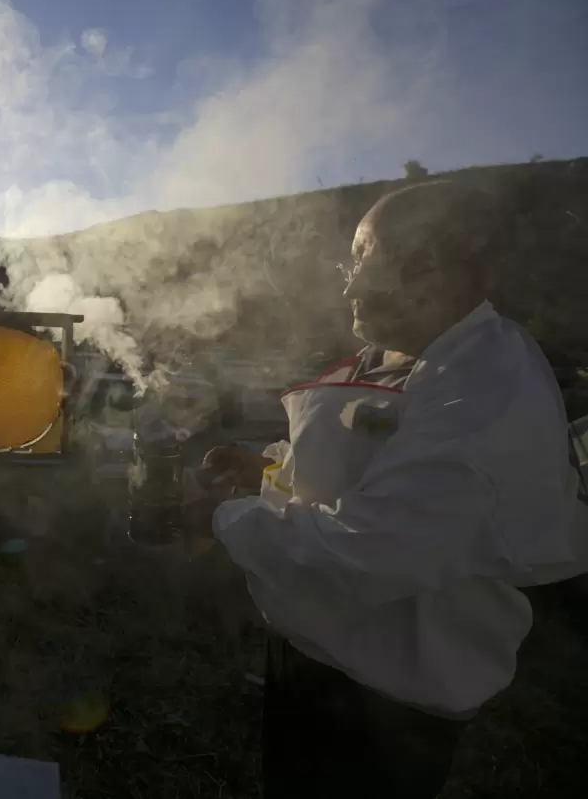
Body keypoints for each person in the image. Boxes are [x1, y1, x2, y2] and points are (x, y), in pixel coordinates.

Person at [203, 181, 588, 799]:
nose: (351, 287)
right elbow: (349, 464)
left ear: (436, 267)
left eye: (369, 262)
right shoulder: (396, 354)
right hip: (313, 652)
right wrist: (267, 471)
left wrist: (226, 517)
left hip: (387, 701)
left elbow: (368, 551)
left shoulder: (486, 390)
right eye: (351, 264)